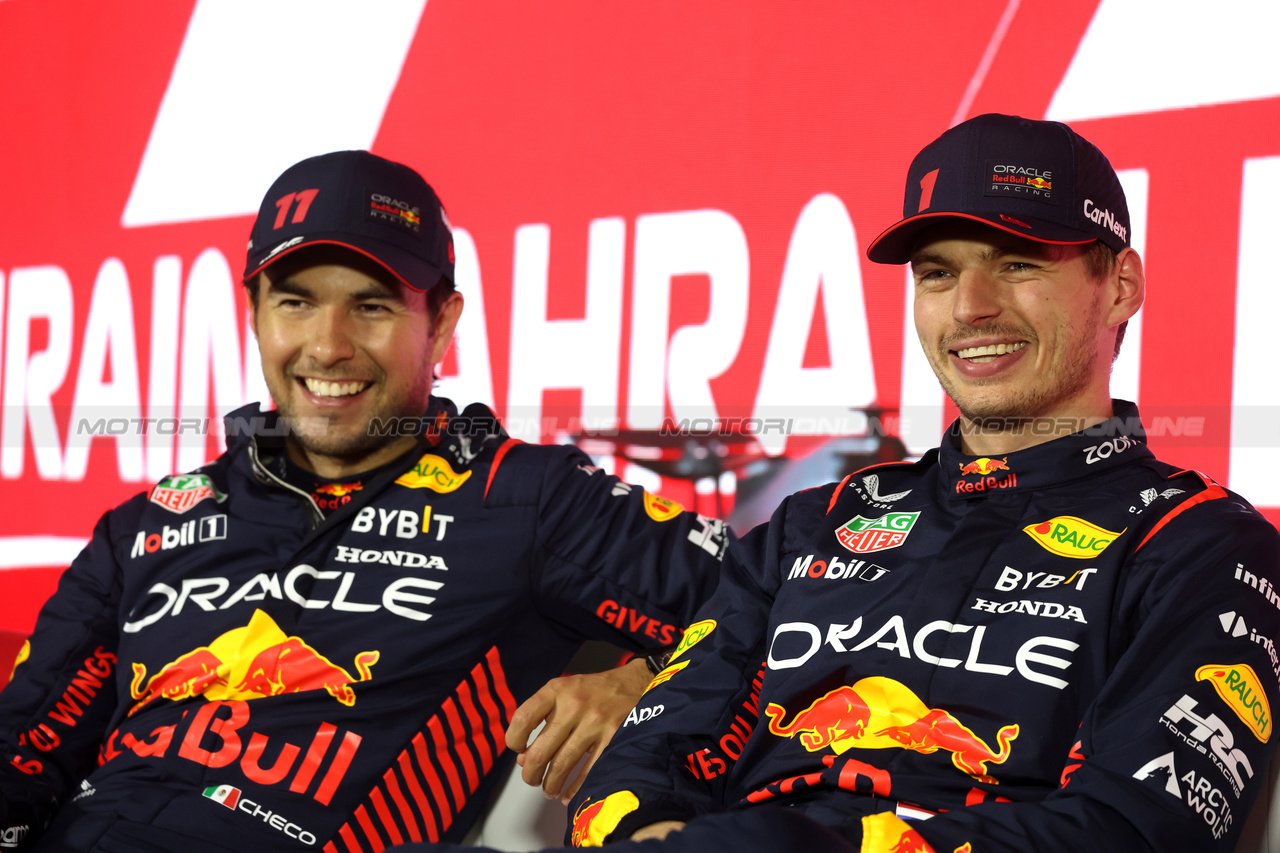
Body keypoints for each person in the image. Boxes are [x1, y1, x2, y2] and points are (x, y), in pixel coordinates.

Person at [556, 114, 1280, 852]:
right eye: (937, 272)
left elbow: (1137, 828)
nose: (970, 306)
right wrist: (647, 833)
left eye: (1018, 262)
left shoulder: (1200, 541)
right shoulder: (812, 523)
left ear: (1120, 286)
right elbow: (649, 752)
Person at [0, 150, 730, 851]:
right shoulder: (148, 525)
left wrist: (643, 681)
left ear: (440, 322)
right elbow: (26, 743)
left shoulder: (525, 496)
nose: (328, 346)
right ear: (255, 311)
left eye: (371, 307)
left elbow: (779, 596)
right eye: (296, 302)